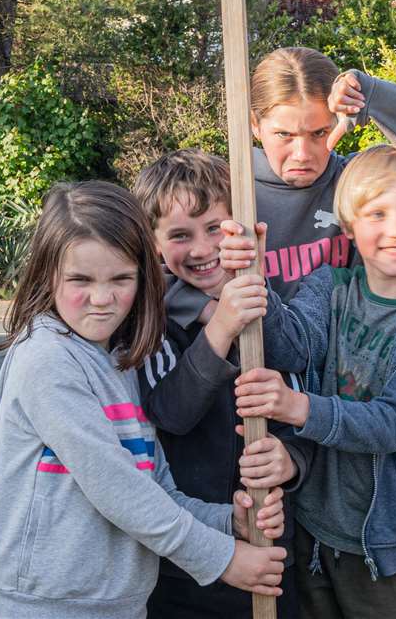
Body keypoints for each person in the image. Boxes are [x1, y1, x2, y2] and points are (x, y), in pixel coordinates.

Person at [0, 180, 288, 619]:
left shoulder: (119, 358)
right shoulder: (46, 358)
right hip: (46, 605)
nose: (103, 299)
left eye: (121, 279)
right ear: (47, 274)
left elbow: (153, 487)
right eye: (80, 280)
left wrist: (227, 522)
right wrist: (223, 558)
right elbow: (118, 491)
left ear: (144, 278)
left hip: (118, 603)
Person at [219, 144, 396, 619]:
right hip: (314, 529)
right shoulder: (331, 286)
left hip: (383, 550)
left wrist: (297, 407)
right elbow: (292, 345)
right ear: (349, 227)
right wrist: (254, 277)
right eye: (376, 214)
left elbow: (391, 425)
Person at [167, 45, 396, 326]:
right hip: (254, 384)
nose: (303, 154)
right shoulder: (223, 190)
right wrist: (209, 311)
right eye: (285, 135)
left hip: (344, 382)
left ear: (337, 123)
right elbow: (150, 264)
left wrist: (373, 97)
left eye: (319, 133)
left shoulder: (357, 186)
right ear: (255, 124)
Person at [133, 149, 311, 619]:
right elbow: (170, 414)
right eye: (179, 235)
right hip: (185, 557)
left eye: (215, 227)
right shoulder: (151, 323)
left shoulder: (272, 309)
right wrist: (220, 327)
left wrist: (291, 462)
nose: (202, 248)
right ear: (153, 245)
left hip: (272, 539)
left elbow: (302, 395)